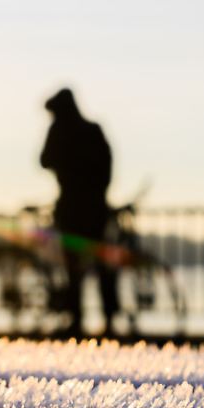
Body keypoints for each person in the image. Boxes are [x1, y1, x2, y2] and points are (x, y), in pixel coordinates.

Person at [40, 88, 119, 336]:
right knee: (101, 265)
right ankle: (109, 320)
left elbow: (44, 160)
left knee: (73, 267)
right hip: (96, 208)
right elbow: (107, 167)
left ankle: (76, 320)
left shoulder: (59, 130)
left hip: (71, 209)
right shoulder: (93, 130)